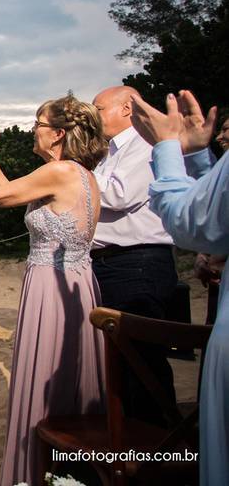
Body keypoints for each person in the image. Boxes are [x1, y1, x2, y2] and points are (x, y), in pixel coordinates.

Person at [0, 94, 108, 486]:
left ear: (57, 134)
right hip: (77, 284)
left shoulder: (61, 173)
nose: (32, 131)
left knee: (44, 377)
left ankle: (38, 472)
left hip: (51, 287)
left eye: (38, 123)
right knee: (69, 378)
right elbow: (10, 190)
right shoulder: (78, 174)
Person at [128, 90, 226, 486]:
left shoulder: (141, 151)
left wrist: (168, 149)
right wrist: (198, 158)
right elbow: (218, 213)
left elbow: (192, 225)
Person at [90, 85, 177, 424]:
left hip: (138, 264)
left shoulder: (144, 144)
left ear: (127, 108)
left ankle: (158, 450)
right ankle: (126, 441)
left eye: (99, 109)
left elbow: (118, 195)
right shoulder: (110, 151)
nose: (93, 115)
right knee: (120, 362)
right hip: (113, 264)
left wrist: (75, 175)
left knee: (142, 360)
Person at [195, 113, 228, 324]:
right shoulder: (221, 169)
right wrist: (203, 253)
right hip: (217, 277)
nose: (219, 137)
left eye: (226, 130)